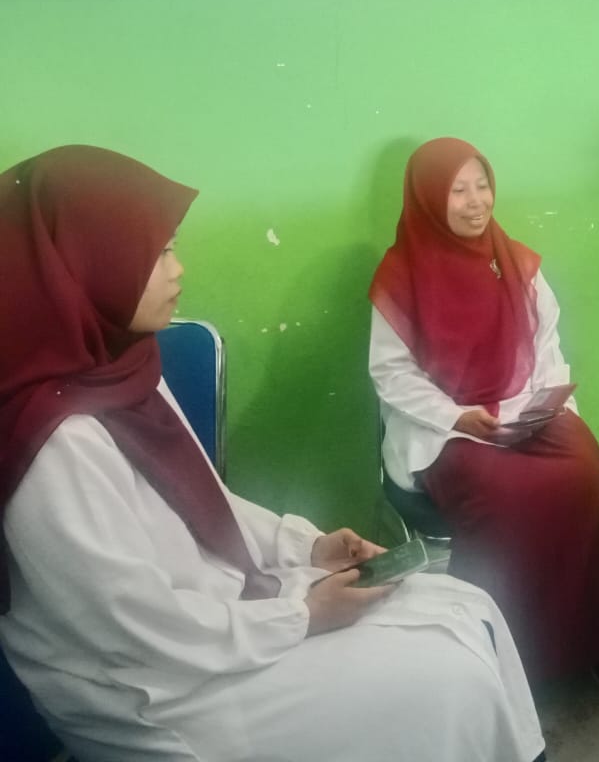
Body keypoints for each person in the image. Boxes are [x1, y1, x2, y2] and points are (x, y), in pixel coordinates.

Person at [0, 145, 545, 762]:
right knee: (449, 676)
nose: (178, 270)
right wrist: (302, 615)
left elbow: (203, 501)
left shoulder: (122, 369)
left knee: (466, 605)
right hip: (158, 695)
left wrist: (308, 548)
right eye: (158, 253)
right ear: (82, 269)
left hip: (220, 618)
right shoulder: (56, 444)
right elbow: (137, 628)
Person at [368, 137, 599, 694]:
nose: (476, 202)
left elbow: (546, 348)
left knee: (590, 477)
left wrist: (546, 408)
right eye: (458, 191)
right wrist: (457, 417)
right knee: (507, 499)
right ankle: (505, 663)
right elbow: (391, 375)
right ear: (428, 200)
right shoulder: (401, 277)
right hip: (446, 430)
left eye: (483, 185)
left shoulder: (515, 261)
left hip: (524, 411)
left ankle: (593, 646)